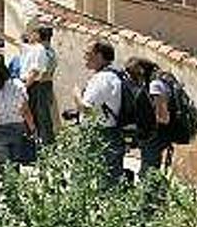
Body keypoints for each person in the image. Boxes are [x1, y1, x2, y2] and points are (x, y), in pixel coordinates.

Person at [73, 40, 125, 184]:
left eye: (88, 54)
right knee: (111, 177)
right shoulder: (115, 75)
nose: (85, 57)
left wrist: (76, 95)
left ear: (100, 56)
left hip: (99, 133)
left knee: (87, 177)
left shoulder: (102, 78)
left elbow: (87, 109)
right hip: (112, 131)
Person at [0, 55, 37, 176]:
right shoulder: (17, 84)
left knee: (2, 166)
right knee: (16, 164)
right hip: (18, 126)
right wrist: (32, 127)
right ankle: (15, 190)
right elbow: (25, 109)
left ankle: (7, 190)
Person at [125, 57, 172, 176]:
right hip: (155, 134)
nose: (131, 78)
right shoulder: (155, 81)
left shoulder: (155, 85)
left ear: (141, 70)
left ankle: (153, 194)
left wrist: (144, 119)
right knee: (149, 171)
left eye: (132, 73)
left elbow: (163, 117)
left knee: (147, 172)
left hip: (156, 136)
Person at [21, 26, 58, 145]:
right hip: (41, 85)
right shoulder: (46, 51)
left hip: (41, 86)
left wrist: (27, 84)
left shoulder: (46, 52)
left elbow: (43, 74)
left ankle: (46, 146)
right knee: (39, 117)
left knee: (42, 117)